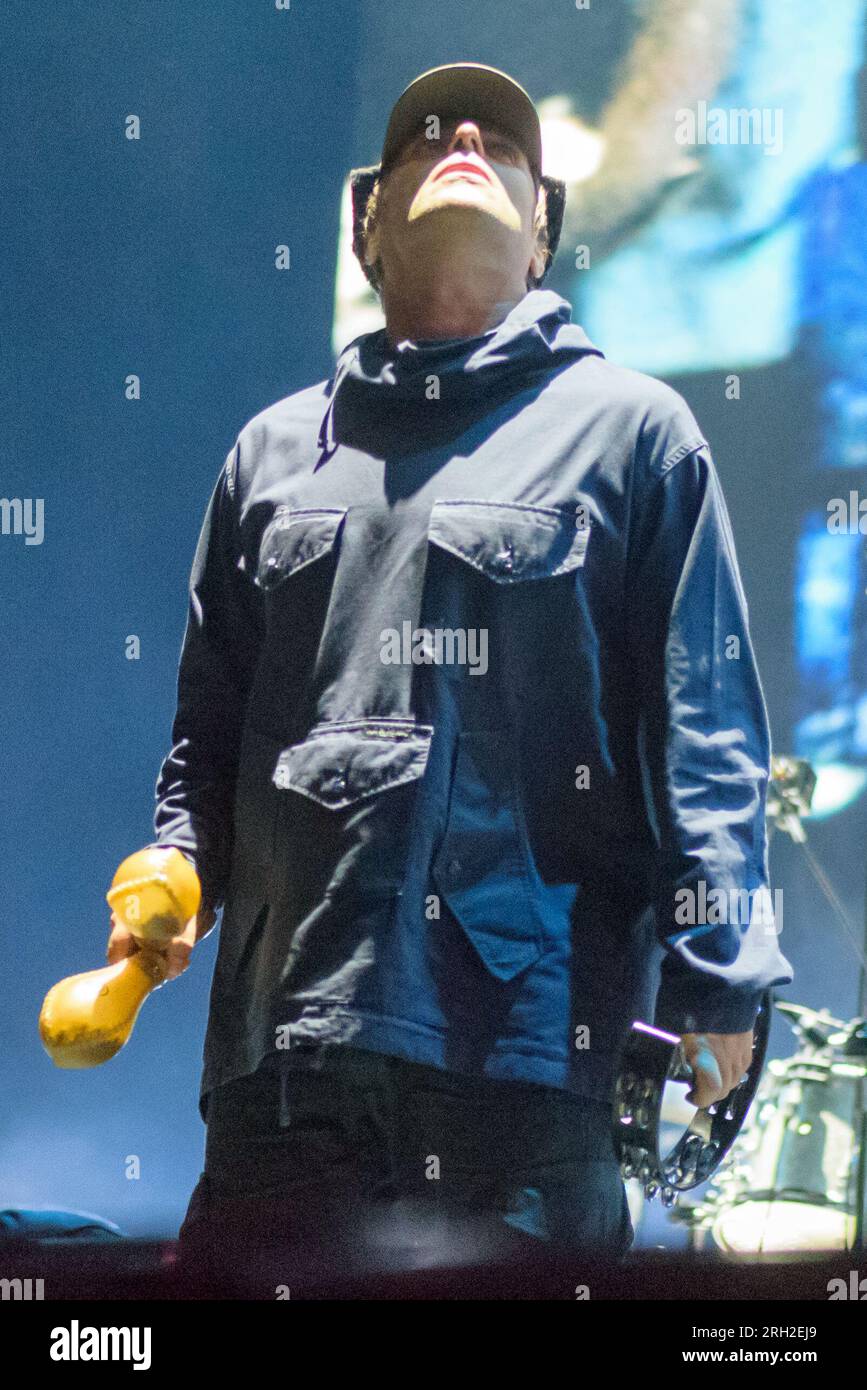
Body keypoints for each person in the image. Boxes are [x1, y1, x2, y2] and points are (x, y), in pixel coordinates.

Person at [107, 62, 792, 1271]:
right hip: (284, 1078)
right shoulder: (267, 454)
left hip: (525, 1077)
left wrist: (723, 981)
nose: (465, 134)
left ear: (544, 234)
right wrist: (173, 873)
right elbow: (206, 754)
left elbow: (711, 738)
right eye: (427, 134)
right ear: (365, 222)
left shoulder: (637, 435)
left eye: (503, 143)